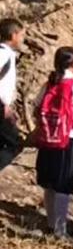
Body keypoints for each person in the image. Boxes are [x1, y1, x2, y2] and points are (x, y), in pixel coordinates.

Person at [31, 47, 73, 238]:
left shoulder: (50, 82)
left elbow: (36, 108)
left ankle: (51, 225)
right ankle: (61, 230)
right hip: (68, 138)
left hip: (48, 137)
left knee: (49, 182)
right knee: (64, 184)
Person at [0, 18, 25, 174]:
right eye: (22, 35)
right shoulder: (3, 54)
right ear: (14, 35)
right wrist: (4, 105)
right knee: (14, 143)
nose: (23, 39)